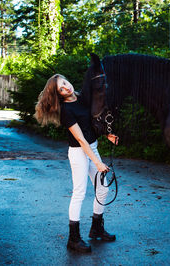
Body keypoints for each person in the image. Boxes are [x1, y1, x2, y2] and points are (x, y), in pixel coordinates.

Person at [34, 74, 118, 253]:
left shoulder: (82, 98)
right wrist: (97, 162)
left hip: (92, 147)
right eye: (61, 89)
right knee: (79, 192)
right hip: (79, 153)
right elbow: (80, 138)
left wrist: (106, 134)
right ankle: (73, 239)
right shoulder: (65, 110)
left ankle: (96, 229)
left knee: (103, 189)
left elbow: (92, 122)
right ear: (59, 95)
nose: (66, 88)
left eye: (64, 83)